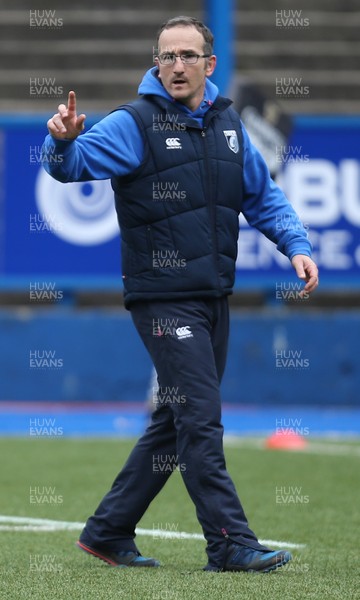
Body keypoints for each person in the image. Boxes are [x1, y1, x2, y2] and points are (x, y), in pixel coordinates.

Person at [42, 15, 318, 573]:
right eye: (166, 56)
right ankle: (229, 543)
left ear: (209, 64)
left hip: (213, 295)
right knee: (200, 416)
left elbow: (263, 197)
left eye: (188, 55)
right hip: (162, 299)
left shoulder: (229, 125)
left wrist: (296, 244)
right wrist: (60, 141)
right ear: (156, 61)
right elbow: (70, 166)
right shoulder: (133, 124)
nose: (176, 65)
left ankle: (108, 530)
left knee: (173, 421)